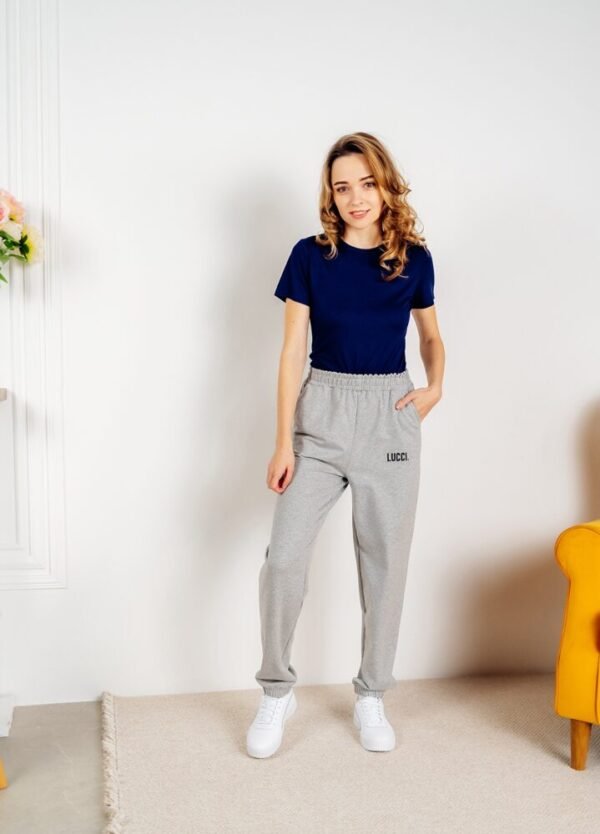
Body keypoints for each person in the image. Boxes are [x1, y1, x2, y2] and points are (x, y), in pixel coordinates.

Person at [246, 131, 445, 758]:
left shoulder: (414, 260)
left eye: (367, 183)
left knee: (385, 564)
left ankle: (371, 694)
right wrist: (283, 442)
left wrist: (435, 387)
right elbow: (291, 352)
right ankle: (276, 691)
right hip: (321, 415)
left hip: (390, 415)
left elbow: (430, 337)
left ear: (386, 186)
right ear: (329, 196)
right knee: (283, 559)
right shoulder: (310, 256)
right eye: (342, 187)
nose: (356, 197)